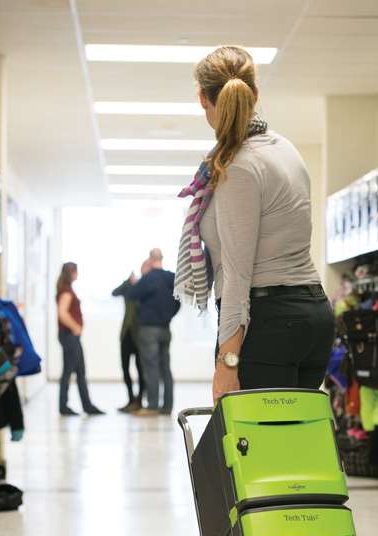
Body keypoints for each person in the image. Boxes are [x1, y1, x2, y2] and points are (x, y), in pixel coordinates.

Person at [175, 46, 336, 402]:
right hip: (313, 315)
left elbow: (237, 275)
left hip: (267, 323)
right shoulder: (285, 149)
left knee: (252, 437)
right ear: (255, 93)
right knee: (291, 435)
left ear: (202, 98)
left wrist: (227, 362)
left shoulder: (238, 166)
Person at [126, 252, 180, 416]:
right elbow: (179, 300)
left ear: (150, 259)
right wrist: (168, 316)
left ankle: (152, 406)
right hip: (165, 329)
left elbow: (132, 294)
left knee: (151, 368)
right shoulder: (171, 278)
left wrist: (139, 279)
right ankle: (167, 406)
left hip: (148, 329)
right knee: (165, 368)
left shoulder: (148, 278)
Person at [56, 262, 104, 416]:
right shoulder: (66, 292)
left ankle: (86, 405)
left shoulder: (67, 290)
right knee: (69, 371)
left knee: (79, 370)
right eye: (76, 271)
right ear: (71, 273)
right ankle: (65, 406)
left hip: (70, 336)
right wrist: (75, 326)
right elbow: (62, 313)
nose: (77, 274)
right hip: (69, 336)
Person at [112, 272, 144, 413]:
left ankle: (139, 400)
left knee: (141, 370)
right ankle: (131, 399)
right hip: (126, 334)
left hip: (139, 335)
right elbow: (114, 293)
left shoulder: (143, 288)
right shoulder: (127, 289)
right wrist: (127, 281)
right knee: (125, 368)